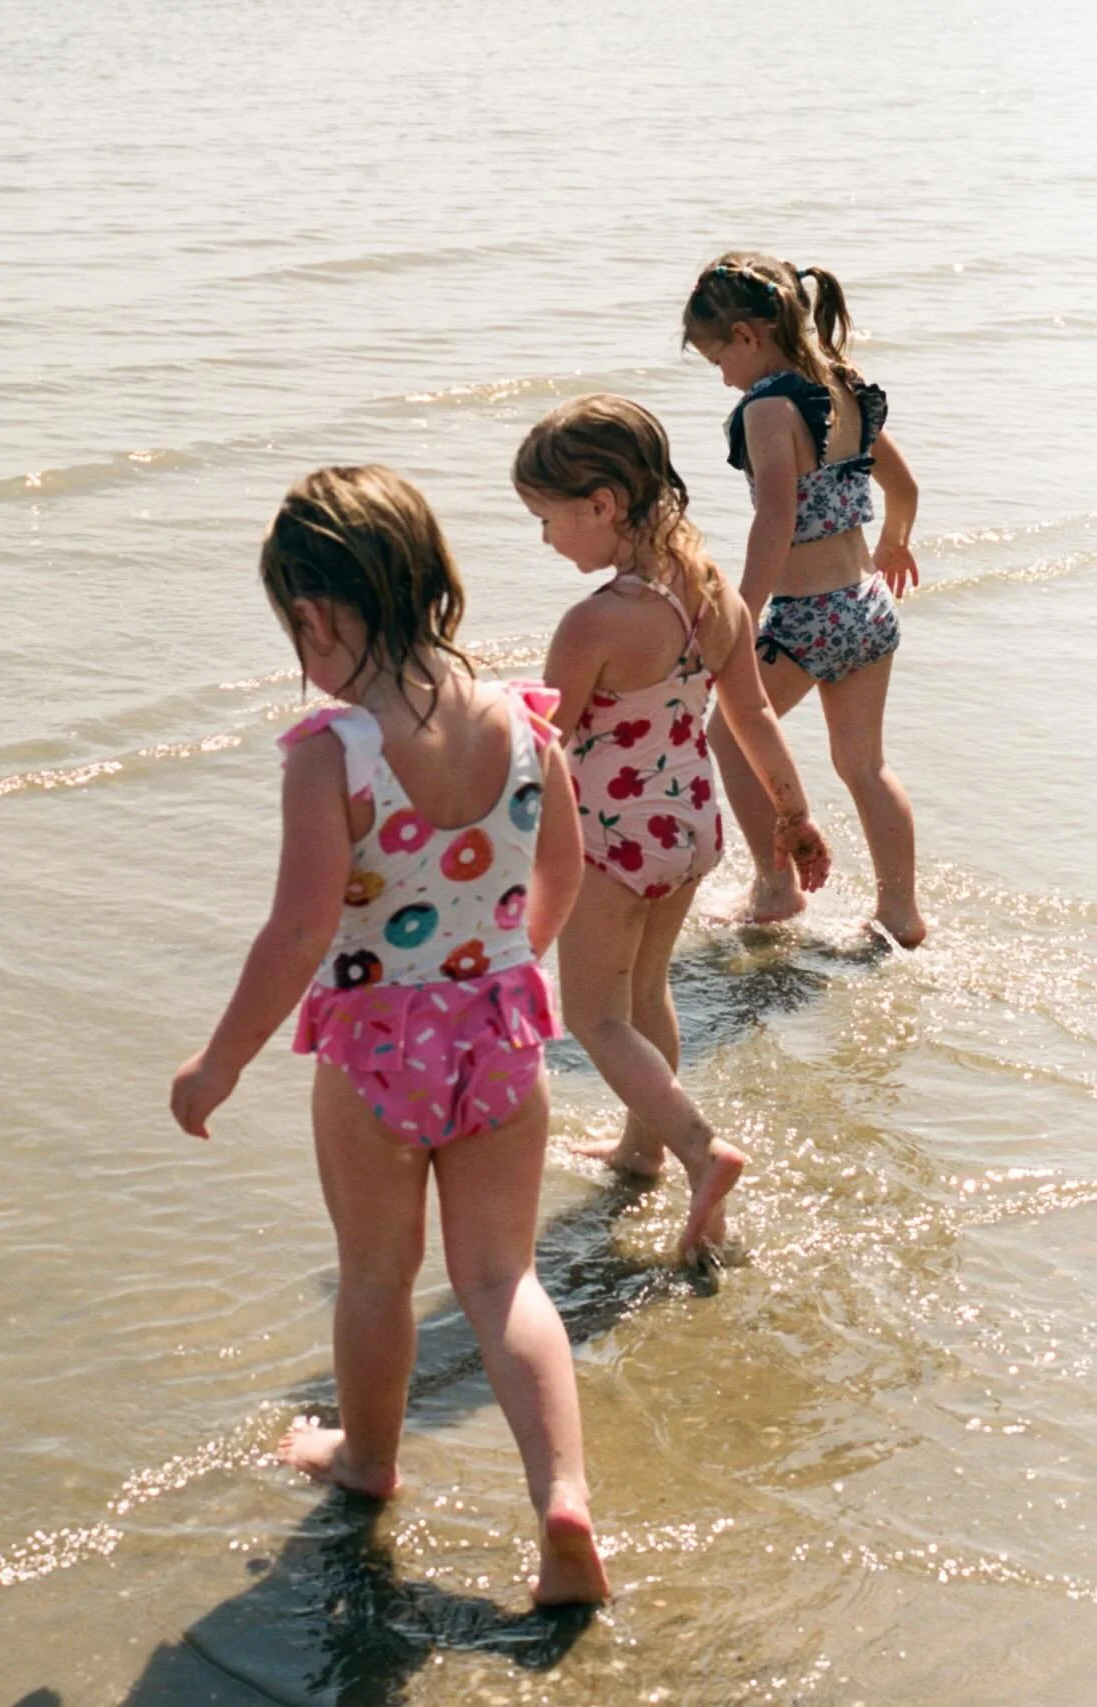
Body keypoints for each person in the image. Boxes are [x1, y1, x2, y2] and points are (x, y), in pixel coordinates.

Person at [170, 465, 610, 1605]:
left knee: (376, 1272)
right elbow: (564, 868)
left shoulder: (335, 751)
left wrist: (220, 1061)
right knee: (503, 1278)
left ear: (316, 615)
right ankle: (562, 1496)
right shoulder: (524, 719)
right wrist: (503, 966)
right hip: (502, 1030)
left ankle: (368, 1460)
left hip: (376, 1049)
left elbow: (300, 928)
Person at [513, 395, 830, 1232]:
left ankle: (698, 1148)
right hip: (690, 826)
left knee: (593, 1015)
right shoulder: (712, 590)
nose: (544, 538)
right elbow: (752, 714)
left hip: (610, 842)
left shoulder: (594, 623)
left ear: (601, 505)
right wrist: (792, 815)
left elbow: (546, 744)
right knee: (647, 992)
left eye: (547, 519)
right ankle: (641, 1148)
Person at [682, 252, 926, 946]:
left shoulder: (766, 408)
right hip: (867, 605)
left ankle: (776, 887)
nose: (722, 376)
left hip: (808, 618)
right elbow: (905, 488)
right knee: (865, 766)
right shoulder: (843, 385)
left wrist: (740, 615)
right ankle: (900, 913)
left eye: (718, 358)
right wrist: (894, 542)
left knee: (730, 736)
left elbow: (775, 519)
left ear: (747, 335)